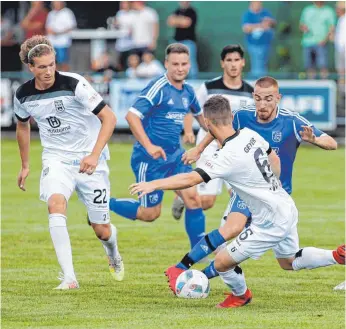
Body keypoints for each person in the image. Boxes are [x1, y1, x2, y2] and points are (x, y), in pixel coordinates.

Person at [129, 94, 345, 308]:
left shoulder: (227, 156)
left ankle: (241, 295)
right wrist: (268, 186)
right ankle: (337, 255)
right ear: (232, 116)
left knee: (222, 262)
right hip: (285, 204)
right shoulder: (249, 134)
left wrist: (153, 184)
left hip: (269, 221)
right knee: (288, 261)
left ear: (206, 123)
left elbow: (190, 178)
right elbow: (275, 160)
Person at [15, 35, 124, 290]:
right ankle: (69, 277)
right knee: (55, 204)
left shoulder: (74, 83)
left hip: (91, 161)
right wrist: (25, 165)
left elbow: (109, 117)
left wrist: (94, 155)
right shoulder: (23, 94)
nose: (48, 71)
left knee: (102, 230)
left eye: (52, 64)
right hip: (56, 159)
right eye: (42, 67)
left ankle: (113, 253)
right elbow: (22, 126)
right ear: (31, 68)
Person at [109, 43, 207, 249]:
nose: (180, 68)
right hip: (149, 159)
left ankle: (200, 251)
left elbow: (202, 119)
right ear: (166, 64)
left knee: (193, 199)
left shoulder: (188, 91)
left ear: (189, 65)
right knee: (150, 214)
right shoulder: (158, 88)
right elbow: (131, 116)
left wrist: (222, 133)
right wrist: (149, 145)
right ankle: (102, 204)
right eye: (175, 64)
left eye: (184, 64)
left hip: (176, 156)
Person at [172, 44, 254, 219]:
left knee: (240, 197)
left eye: (236, 60)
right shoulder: (209, 87)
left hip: (236, 151)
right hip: (209, 147)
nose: (233, 64)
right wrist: (188, 131)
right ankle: (183, 194)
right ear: (222, 63)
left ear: (243, 63)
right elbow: (190, 108)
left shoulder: (250, 93)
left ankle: (230, 237)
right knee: (207, 201)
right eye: (229, 60)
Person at [299, 1, 336, 79]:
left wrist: (324, 40)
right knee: (309, 67)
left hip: (321, 43)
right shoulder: (307, 10)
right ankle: (311, 85)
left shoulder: (329, 11)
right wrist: (303, 27)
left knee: (323, 66)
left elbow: (332, 28)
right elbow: (301, 25)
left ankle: (324, 85)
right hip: (307, 42)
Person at [242, 1, 276, 78]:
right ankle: (257, 82)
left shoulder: (266, 12)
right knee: (257, 66)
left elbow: (272, 23)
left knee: (263, 66)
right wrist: (261, 25)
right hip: (254, 45)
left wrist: (269, 22)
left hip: (266, 44)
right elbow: (246, 28)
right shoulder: (247, 14)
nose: (258, 4)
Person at [167, 1, 198, 78]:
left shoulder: (192, 11)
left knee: (190, 64)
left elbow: (186, 23)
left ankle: (193, 84)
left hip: (188, 42)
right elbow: (170, 21)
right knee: (174, 62)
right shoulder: (177, 11)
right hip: (176, 41)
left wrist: (177, 20)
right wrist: (181, 20)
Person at [46, 1, 77, 71]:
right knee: (52, 63)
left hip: (63, 43)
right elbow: (47, 27)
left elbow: (71, 26)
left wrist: (58, 33)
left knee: (63, 63)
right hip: (52, 43)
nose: (56, 4)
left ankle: (65, 79)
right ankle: (56, 80)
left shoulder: (67, 12)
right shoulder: (51, 14)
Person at [113, 1, 136, 71]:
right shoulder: (119, 14)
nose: (123, 5)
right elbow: (116, 25)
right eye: (122, 3)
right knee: (120, 62)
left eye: (125, 3)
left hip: (131, 43)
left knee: (130, 62)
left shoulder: (133, 14)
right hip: (121, 43)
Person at [334, 1, 345, 85]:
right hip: (339, 49)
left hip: (343, 49)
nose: (336, 10)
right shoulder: (340, 19)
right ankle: (343, 92)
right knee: (340, 71)